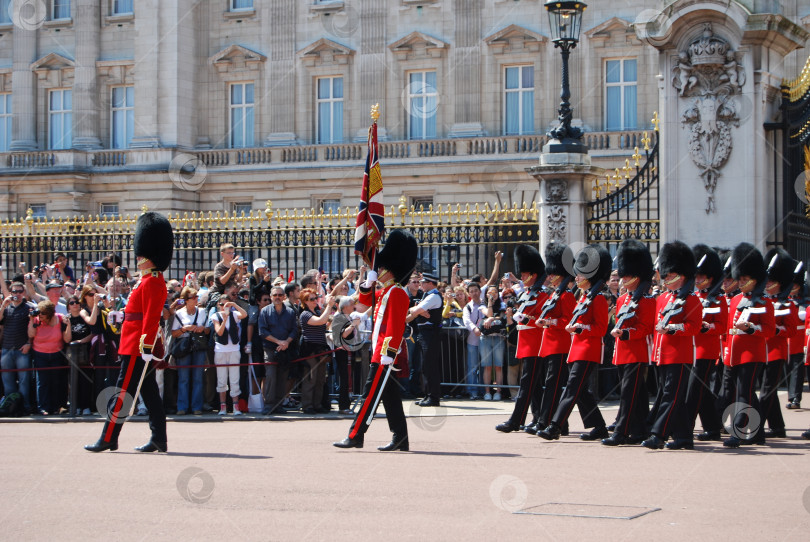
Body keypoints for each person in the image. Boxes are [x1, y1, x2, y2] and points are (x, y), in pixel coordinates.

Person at [85, 211, 173, 453]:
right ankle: (159, 438)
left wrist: (146, 346)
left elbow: (152, 316)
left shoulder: (154, 281)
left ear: (149, 257)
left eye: (141, 255)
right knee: (151, 394)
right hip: (131, 340)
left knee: (122, 392)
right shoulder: (144, 281)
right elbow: (136, 314)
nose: (138, 258)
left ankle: (109, 437)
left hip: (138, 346)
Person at [333, 229, 417, 451]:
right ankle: (400, 438)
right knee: (389, 398)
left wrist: (388, 354)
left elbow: (396, 327)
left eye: (382, 268)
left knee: (369, 395)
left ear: (392, 271)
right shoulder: (386, 291)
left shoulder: (398, 293)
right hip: (379, 351)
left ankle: (356, 435)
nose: (378, 270)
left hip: (384, 354)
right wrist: (367, 284)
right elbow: (363, 304)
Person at [538, 244, 612, 442]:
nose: (576, 277)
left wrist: (580, 328)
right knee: (582, 393)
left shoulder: (599, 299)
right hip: (576, 349)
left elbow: (601, 329)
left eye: (580, 275)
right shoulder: (583, 298)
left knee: (571, 388)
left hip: (588, 350)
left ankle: (555, 426)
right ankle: (599, 427)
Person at [643, 241, 702, 450]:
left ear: (682, 276)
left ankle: (658, 435)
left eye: (670, 275)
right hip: (662, 353)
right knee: (673, 397)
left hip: (680, 354)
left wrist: (673, 328)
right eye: (665, 275)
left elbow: (694, 327)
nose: (666, 279)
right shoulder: (663, 298)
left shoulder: (692, 300)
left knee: (671, 396)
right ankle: (684, 437)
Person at [602, 240, 655, 446]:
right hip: (622, 351)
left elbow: (645, 328)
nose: (623, 279)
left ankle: (621, 431)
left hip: (637, 350)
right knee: (638, 394)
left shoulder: (648, 300)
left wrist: (625, 334)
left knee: (627, 393)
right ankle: (640, 430)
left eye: (626, 275)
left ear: (637, 276)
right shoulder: (623, 299)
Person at [723, 243, 775, 448]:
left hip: (753, 354)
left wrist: (752, 328)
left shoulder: (765, 303)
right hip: (735, 352)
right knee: (747, 393)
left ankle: (738, 431)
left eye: (746, 279)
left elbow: (769, 331)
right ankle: (758, 432)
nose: (742, 282)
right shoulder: (735, 300)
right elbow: (729, 329)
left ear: (755, 280)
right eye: (741, 279)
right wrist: (727, 352)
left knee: (744, 392)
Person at [495, 244, 547, 433]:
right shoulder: (526, 294)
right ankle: (538, 418)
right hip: (526, 343)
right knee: (535, 385)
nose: (522, 277)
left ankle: (516, 420)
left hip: (536, 343)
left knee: (527, 383)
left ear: (533, 275)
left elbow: (542, 319)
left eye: (525, 275)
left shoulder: (542, 295)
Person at [687, 244, 728, 442]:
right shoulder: (693, 297)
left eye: (701, 277)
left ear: (710, 278)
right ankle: (712, 428)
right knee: (702, 391)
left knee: (694, 390)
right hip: (692, 349)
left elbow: (722, 326)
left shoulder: (719, 299)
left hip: (707, 350)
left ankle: (685, 427)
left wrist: (707, 327)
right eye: (696, 277)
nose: (697, 280)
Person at [760, 248, 797, 439]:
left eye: (772, 282)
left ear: (780, 284)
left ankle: (754, 426)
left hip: (776, 351)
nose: (767, 284)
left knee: (766, 391)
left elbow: (791, 330)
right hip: (761, 350)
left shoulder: (788, 304)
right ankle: (777, 427)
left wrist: (777, 330)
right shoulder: (763, 302)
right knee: (770, 392)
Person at [259, 285, 298, 415]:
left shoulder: (291, 312)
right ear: (271, 297)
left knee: (283, 377)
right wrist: (278, 342)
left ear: (284, 297)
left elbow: (294, 330)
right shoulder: (265, 311)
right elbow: (263, 331)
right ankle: (269, 404)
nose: (277, 297)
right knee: (270, 376)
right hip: (270, 348)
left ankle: (279, 404)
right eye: (275, 295)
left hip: (285, 349)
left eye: (280, 295)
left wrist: (286, 342)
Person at [171, 286, 209, 415]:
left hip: (198, 345)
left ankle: (196, 407)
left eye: (196, 297)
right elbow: (174, 334)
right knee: (184, 378)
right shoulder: (179, 313)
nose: (196, 299)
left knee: (198, 377)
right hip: (184, 345)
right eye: (193, 297)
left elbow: (208, 330)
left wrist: (202, 328)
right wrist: (184, 329)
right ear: (186, 300)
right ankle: (182, 407)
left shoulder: (203, 312)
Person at [28, 300, 70, 415]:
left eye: (43, 313)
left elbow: (66, 336)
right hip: (40, 354)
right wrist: (32, 320)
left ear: (50, 313)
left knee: (57, 381)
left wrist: (68, 323)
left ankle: (57, 406)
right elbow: (31, 335)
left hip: (57, 353)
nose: (40, 315)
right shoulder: (35, 319)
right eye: (39, 313)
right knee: (43, 382)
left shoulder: (59, 318)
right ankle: (43, 407)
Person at [298, 288, 337, 414]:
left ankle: (317, 404)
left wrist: (328, 305)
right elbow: (321, 321)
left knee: (321, 378)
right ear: (305, 301)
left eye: (316, 298)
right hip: (309, 349)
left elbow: (326, 320)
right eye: (312, 299)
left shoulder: (317, 311)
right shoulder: (305, 314)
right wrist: (329, 306)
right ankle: (307, 405)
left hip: (320, 348)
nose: (315, 301)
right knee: (311, 378)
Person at [408, 272, 443, 407]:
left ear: (430, 283)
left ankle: (434, 397)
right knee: (425, 366)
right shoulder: (426, 295)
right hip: (424, 333)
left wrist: (418, 310)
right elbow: (414, 309)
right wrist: (418, 310)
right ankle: (428, 395)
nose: (420, 284)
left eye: (423, 282)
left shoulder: (433, 296)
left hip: (431, 334)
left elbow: (417, 310)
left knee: (430, 366)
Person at [0, 281, 35, 414]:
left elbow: (34, 328)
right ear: (10, 293)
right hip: (6, 349)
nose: (17, 294)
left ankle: (24, 407)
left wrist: (28, 343)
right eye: (14, 292)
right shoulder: (7, 307)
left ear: (24, 293)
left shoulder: (29, 307)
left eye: (20, 291)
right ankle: (10, 407)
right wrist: (3, 305)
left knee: (24, 381)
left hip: (22, 349)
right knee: (7, 381)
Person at [211, 295, 248, 415]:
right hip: (220, 350)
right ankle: (223, 407)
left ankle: (235, 406)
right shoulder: (215, 316)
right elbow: (219, 332)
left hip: (233, 349)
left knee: (234, 378)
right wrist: (225, 319)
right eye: (222, 304)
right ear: (218, 305)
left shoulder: (235, 314)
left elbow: (244, 314)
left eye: (226, 304)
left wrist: (234, 305)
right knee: (221, 379)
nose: (224, 307)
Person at [65, 294, 95, 416]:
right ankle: (75, 406)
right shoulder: (67, 319)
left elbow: (93, 333)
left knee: (85, 381)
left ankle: (86, 406)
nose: (75, 305)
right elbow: (67, 339)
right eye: (71, 303)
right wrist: (67, 325)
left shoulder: (85, 316)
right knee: (73, 382)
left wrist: (81, 341)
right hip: (72, 354)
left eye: (76, 302)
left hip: (86, 352)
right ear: (68, 307)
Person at [462, 282, 486, 400]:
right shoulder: (468, 306)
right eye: (471, 291)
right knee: (472, 367)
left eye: (475, 290)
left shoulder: (486, 304)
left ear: (480, 291)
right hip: (473, 341)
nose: (474, 293)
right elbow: (466, 320)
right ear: (468, 293)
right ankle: (472, 391)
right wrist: (474, 328)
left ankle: (483, 390)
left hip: (486, 340)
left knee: (484, 367)